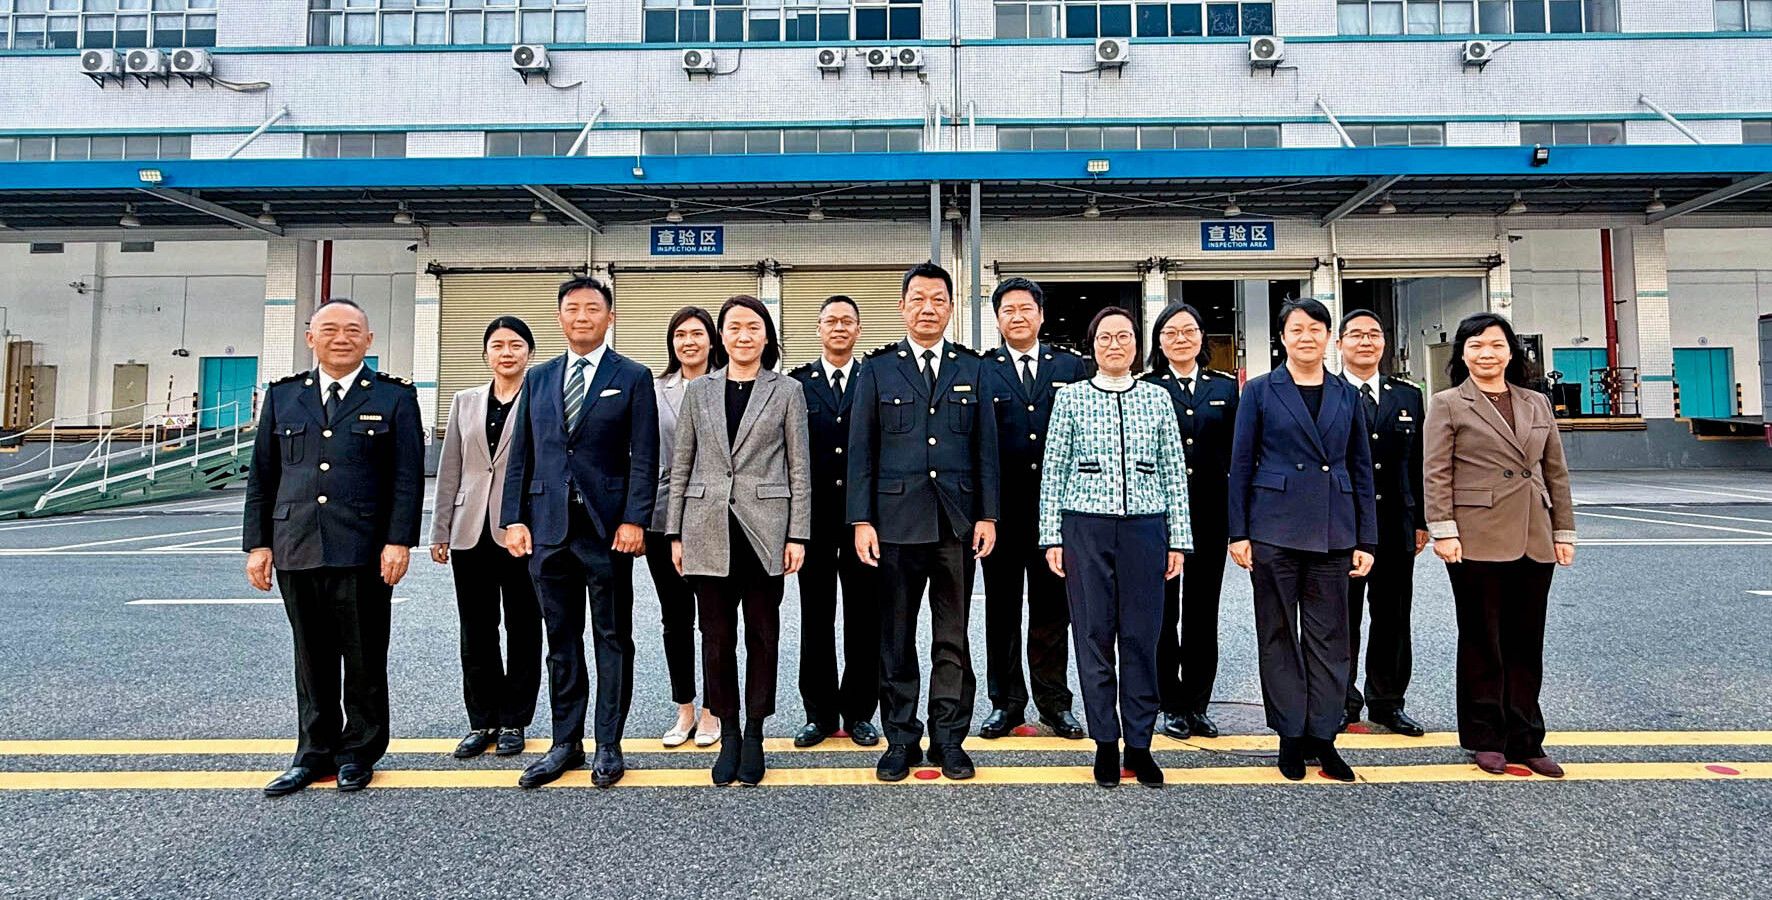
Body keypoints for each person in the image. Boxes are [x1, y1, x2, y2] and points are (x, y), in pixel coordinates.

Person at [244, 298, 423, 797]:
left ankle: (359, 752)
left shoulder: (393, 397)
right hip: (296, 543)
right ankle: (312, 753)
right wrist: (258, 544)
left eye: (351, 330)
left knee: (364, 656)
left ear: (369, 340)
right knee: (311, 657)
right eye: (329, 330)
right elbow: (263, 475)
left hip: (363, 547)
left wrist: (398, 541)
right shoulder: (283, 397)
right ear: (310, 338)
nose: (340, 338)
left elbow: (406, 477)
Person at [501, 277, 659, 789]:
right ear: (559, 318)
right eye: (572, 309)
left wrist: (635, 519)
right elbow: (521, 454)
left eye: (593, 308)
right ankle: (564, 742)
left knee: (612, 636)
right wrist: (513, 518)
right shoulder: (539, 377)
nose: (582, 316)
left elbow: (645, 455)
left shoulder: (632, 376)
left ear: (610, 317)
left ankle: (609, 743)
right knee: (560, 638)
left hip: (606, 529)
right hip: (547, 528)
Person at [848, 261, 1000, 782]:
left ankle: (949, 738)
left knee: (952, 637)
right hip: (893, 524)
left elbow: (985, 449)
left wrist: (987, 514)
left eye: (938, 299)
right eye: (917, 299)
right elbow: (862, 451)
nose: (927, 308)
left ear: (951, 308)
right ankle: (900, 738)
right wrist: (861, 520)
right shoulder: (877, 369)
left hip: (956, 525)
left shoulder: (971, 368)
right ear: (902, 307)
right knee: (895, 636)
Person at [1227, 297, 1376, 783]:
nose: (1306, 337)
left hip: (1334, 529)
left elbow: (1360, 468)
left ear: (1328, 337)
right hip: (1274, 528)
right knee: (1277, 635)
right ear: (1282, 338)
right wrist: (1238, 532)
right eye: (1297, 329)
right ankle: (1290, 735)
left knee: (1331, 638)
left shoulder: (1345, 393)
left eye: (1316, 328)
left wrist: (1366, 538)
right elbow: (1241, 464)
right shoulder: (1260, 391)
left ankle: (1324, 736)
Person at [1039, 308, 1190, 788]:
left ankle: (1139, 744)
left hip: (1146, 528)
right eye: (1105, 337)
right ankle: (1106, 741)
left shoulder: (1157, 398)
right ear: (1093, 346)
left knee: (1142, 638)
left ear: (1136, 345)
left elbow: (1173, 471)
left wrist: (1178, 539)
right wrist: (1052, 536)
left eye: (1124, 336)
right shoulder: (1071, 399)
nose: (1115, 345)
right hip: (1086, 527)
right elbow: (1054, 469)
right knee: (1094, 636)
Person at [667, 295, 812, 785]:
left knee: (763, 636)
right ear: (721, 337)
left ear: (766, 335)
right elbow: (682, 464)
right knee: (716, 638)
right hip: (706, 525)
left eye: (753, 327)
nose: (743, 335)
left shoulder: (787, 390)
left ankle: (754, 733)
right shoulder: (700, 390)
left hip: (765, 529)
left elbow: (799, 468)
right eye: (734, 327)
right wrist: (675, 532)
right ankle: (727, 732)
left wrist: (798, 534)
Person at [1424, 312, 1577, 778]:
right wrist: (1443, 529)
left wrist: (1563, 531)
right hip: (1476, 535)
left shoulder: (1536, 402)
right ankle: (1485, 736)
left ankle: (1526, 737)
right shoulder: (1448, 403)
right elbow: (1436, 471)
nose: (1486, 354)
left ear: (1511, 352)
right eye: (1475, 346)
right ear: (1463, 354)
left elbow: (1555, 470)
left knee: (1527, 641)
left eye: (1495, 345)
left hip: (1534, 533)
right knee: (1482, 640)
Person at [429, 316, 543, 760]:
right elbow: (450, 469)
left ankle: (515, 720)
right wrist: (440, 529)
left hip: (519, 531)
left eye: (516, 344)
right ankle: (482, 721)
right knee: (476, 630)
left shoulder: (541, 399)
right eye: (497, 345)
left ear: (530, 352)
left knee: (523, 627)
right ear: (485, 354)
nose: (506, 352)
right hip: (469, 529)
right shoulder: (465, 401)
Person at [980, 277, 1088, 741]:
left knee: (1052, 611)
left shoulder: (1070, 367)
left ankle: (1055, 703)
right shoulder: (982, 370)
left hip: (1056, 514)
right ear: (997, 318)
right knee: (1001, 611)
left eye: (1026, 308)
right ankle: (1005, 704)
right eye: (1008, 310)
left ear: (1041, 315)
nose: (1017, 317)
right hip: (1002, 514)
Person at [787, 295, 881, 749]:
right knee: (816, 618)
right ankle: (819, 714)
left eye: (847, 321)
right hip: (815, 520)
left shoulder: (874, 378)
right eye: (831, 321)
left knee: (865, 618)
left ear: (858, 330)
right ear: (818, 329)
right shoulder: (797, 384)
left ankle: (860, 712)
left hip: (864, 520)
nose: (839, 327)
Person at [1140, 301, 1238, 741]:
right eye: (1171, 332)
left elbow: (1239, 457)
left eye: (1189, 330)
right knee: (1162, 613)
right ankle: (1170, 703)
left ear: (1202, 338)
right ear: (1159, 342)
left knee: (1203, 612)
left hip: (1210, 517)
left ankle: (1197, 703)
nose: (1180, 339)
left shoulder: (1226, 389)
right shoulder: (1147, 387)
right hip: (1158, 517)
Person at [1336, 309, 1430, 737]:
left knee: (1393, 617)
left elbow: (1419, 462)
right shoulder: (1329, 392)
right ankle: (1341, 700)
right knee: (1342, 619)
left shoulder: (1407, 396)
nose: (1365, 342)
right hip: (1343, 526)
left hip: (1395, 523)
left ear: (1384, 343)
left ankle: (1388, 702)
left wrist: (1422, 519)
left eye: (1373, 334)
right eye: (1356, 335)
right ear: (1340, 344)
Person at [646, 306, 726, 748]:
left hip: (717, 515)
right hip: (663, 515)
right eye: (680, 335)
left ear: (712, 340)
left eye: (697, 333)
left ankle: (714, 711)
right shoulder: (654, 389)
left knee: (715, 620)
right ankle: (685, 709)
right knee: (674, 618)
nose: (688, 342)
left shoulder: (728, 384)